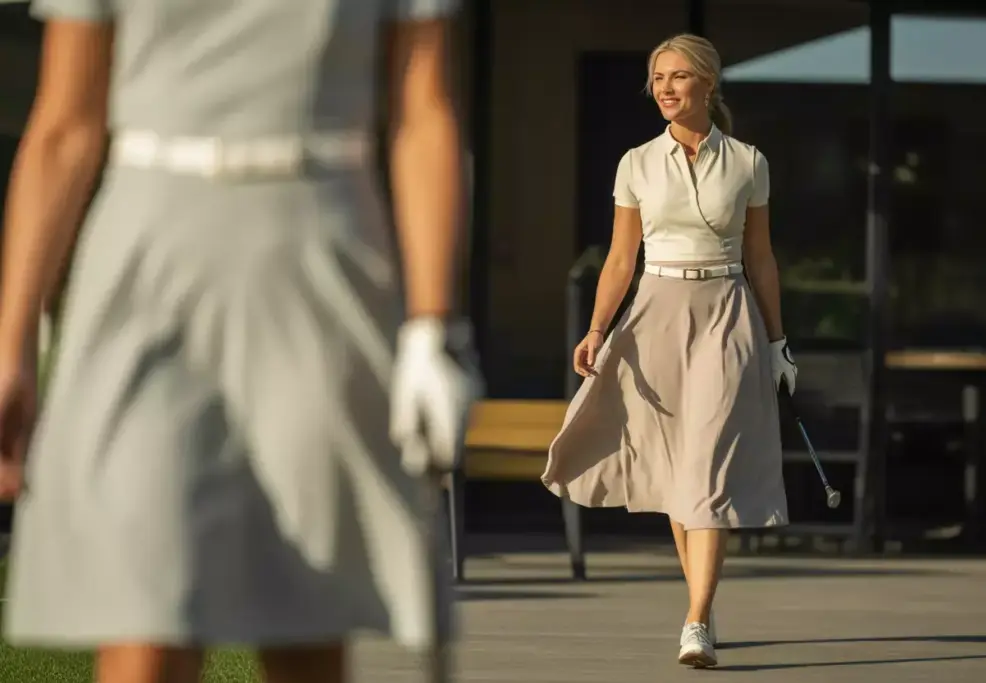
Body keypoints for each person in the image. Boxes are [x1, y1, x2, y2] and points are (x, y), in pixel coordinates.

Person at [0, 0, 480, 682]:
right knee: (145, 612)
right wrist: (10, 342)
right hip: (146, 254)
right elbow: (64, 126)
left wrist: (433, 327)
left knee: (303, 614)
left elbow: (422, 112)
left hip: (321, 248)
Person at [541, 33, 796, 669]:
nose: (666, 88)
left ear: (709, 83)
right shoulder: (635, 163)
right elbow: (621, 258)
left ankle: (697, 619)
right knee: (682, 473)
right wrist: (597, 330)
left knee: (708, 465)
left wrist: (776, 341)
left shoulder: (749, 161)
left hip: (725, 314)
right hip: (654, 314)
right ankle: (700, 609)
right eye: (658, 78)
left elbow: (761, 257)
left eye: (679, 77)